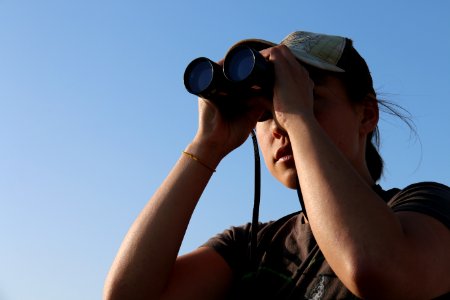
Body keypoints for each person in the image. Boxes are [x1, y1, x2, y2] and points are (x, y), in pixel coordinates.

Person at [103, 31, 450, 299]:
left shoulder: (425, 208)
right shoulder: (253, 247)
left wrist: (297, 117)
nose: (280, 125)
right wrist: (206, 146)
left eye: (309, 98)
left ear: (367, 114)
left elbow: (376, 268)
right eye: (268, 111)